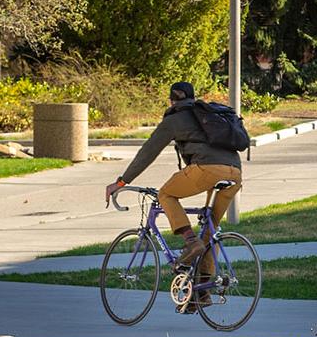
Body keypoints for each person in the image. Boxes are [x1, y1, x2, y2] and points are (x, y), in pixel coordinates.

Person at [104, 82, 243, 312]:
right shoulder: (206, 114)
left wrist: (121, 182)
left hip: (207, 169)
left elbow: (147, 152)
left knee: (166, 194)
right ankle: (201, 293)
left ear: (171, 100)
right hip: (235, 173)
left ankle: (190, 242)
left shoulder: (174, 120)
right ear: (192, 97)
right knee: (210, 231)